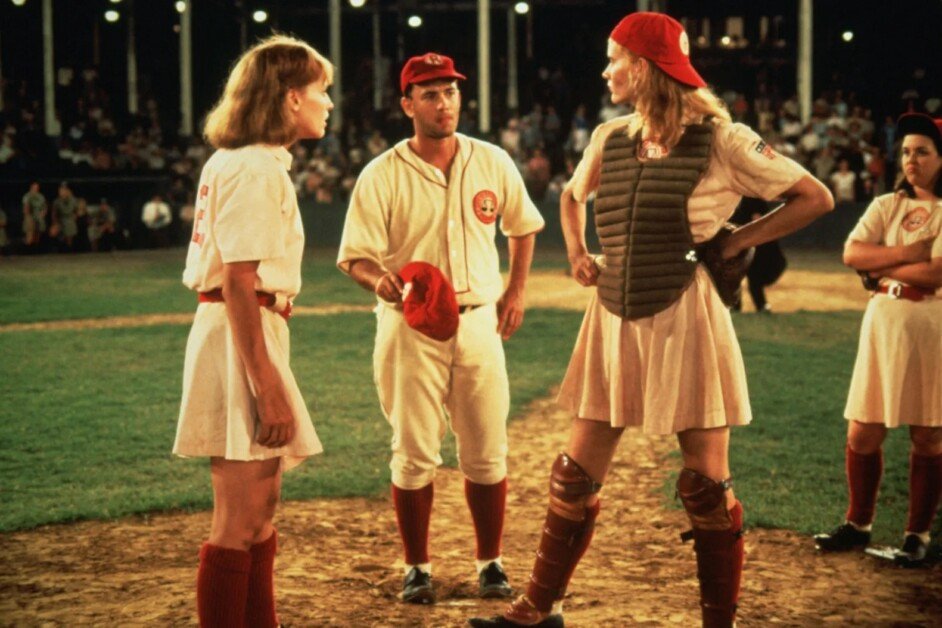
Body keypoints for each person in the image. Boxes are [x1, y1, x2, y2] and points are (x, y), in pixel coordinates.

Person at [471, 12, 833, 628]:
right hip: (612, 312)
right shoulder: (609, 136)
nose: (606, 69)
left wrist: (738, 237)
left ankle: (719, 621)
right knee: (572, 476)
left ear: (642, 67)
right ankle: (538, 607)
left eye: (615, 58)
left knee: (704, 487)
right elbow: (568, 196)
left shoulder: (723, 137)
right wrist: (581, 251)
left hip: (684, 312)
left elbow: (815, 197)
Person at [337, 52, 545, 605]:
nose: (443, 101)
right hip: (411, 327)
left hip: (478, 322)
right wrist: (381, 282)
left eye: (450, 91)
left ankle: (491, 564)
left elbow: (523, 227)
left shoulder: (492, 160)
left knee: (486, 451)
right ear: (408, 104)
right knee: (412, 451)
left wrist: (517, 290)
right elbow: (354, 257)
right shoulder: (380, 173)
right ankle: (417, 567)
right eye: (429, 93)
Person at [172, 35, 332, 627]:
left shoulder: (247, 161)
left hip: (248, 329)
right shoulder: (254, 167)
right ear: (291, 98)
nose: (327, 103)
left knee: (260, 510)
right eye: (321, 90)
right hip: (241, 332)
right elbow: (239, 282)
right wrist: (266, 384)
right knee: (238, 521)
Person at [814, 113, 942, 567]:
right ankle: (858, 523)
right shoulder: (887, 204)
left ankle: (916, 535)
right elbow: (852, 253)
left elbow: (937, 272)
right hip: (883, 321)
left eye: (923, 151)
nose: (912, 159)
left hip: (932, 323)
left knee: (928, 434)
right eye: (906, 151)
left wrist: (877, 266)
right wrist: (906, 254)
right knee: (863, 429)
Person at [51, 182, 79, 251]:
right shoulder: (57, 201)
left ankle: (69, 249)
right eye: (61, 190)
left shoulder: (73, 200)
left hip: (70, 220)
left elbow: (77, 210)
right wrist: (55, 223)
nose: (63, 192)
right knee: (54, 231)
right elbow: (54, 214)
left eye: (64, 190)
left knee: (69, 233)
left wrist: (75, 216)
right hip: (60, 220)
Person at [21, 181, 47, 247]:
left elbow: (44, 207)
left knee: (38, 233)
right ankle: (27, 246)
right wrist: (29, 216)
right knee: (30, 233)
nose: (35, 189)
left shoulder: (41, 196)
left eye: (37, 188)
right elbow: (26, 208)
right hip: (30, 216)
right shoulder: (27, 196)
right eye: (34, 187)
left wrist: (43, 213)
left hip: (39, 216)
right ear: (31, 188)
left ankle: (36, 247)